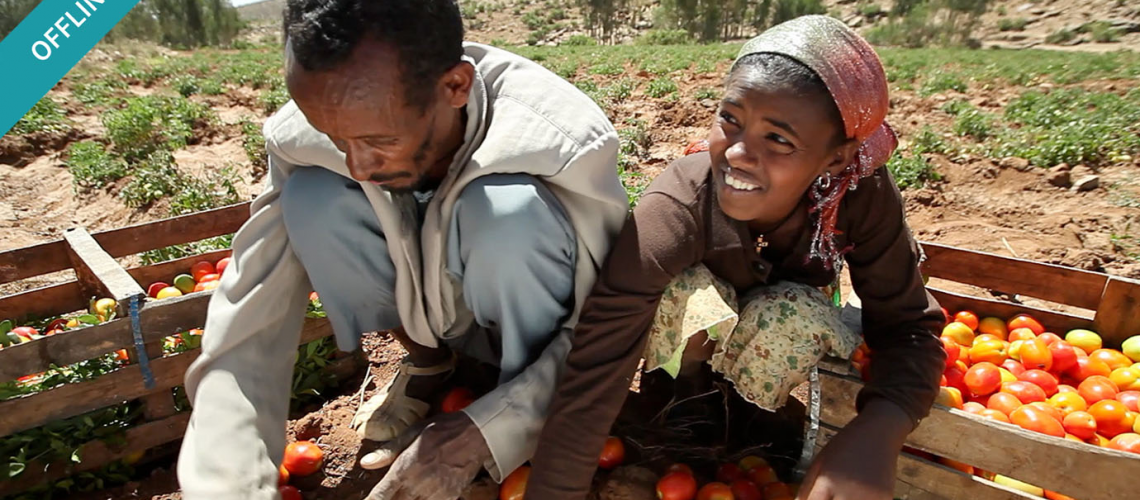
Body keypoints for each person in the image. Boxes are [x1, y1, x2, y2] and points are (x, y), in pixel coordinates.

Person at [175, 1, 629, 499]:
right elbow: (247, 319)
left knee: (506, 213)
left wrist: (482, 435)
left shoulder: (559, 142)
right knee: (311, 198)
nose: (359, 165)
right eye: (334, 138)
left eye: (379, 140)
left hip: (530, 323)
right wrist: (226, 482)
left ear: (455, 87)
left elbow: (603, 330)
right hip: (430, 310)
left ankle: (515, 403)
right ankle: (427, 362)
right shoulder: (312, 127)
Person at [525, 15, 946, 500]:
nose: (739, 153)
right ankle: (685, 412)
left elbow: (909, 326)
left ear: (835, 157)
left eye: (779, 139)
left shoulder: (858, 194)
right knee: (686, 292)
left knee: (789, 312)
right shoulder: (681, 202)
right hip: (693, 346)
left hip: (775, 344)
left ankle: (762, 424)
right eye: (730, 119)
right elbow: (597, 362)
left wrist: (877, 430)